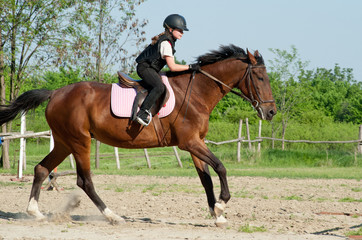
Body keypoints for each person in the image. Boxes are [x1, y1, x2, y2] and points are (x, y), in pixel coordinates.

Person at [135, 14, 200, 126]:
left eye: (182, 31)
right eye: (179, 30)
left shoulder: (168, 41)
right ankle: (142, 113)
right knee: (159, 87)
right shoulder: (166, 43)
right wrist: (190, 67)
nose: (182, 33)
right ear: (170, 29)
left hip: (150, 68)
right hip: (145, 68)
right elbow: (173, 67)